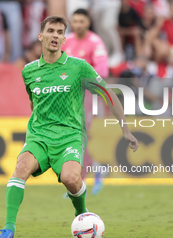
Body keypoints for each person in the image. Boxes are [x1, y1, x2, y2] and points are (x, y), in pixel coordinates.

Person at [0, 15, 138, 238]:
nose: (55, 36)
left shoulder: (78, 67)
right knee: (21, 168)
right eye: (51, 31)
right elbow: (34, 102)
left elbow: (108, 94)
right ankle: (8, 228)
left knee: (71, 179)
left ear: (63, 39)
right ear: (41, 36)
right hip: (39, 135)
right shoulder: (29, 71)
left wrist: (125, 129)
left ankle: (82, 213)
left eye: (60, 32)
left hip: (69, 135)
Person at [62, 8, 109, 195]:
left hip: (88, 97)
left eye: (81, 21)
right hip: (68, 98)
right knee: (73, 138)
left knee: (81, 136)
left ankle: (85, 178)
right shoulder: (68, 42)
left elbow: (102, 70)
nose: (78, 25)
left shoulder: (95, 42)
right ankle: (90, 173)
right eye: (75, 21)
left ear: (88, 22)